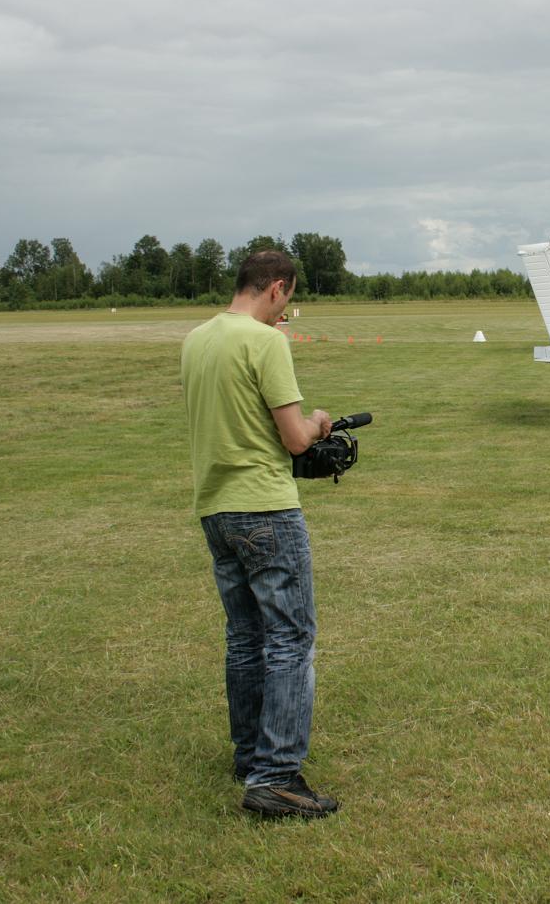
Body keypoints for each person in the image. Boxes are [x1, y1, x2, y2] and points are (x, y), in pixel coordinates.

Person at [180, 249, 338, 819]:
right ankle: (276, 777)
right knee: (291, 639)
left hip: (215, 508)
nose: (284, 311)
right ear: (276, 288)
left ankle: (250, 757)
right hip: (266, 509)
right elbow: (295, 439)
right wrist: (320, 422)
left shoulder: (197, 339)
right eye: (286, 299)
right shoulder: (266, 342)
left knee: (245, 637)